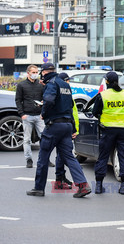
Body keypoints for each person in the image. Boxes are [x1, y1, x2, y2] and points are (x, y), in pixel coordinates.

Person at [26, 63, 91, 198]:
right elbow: (69, 107)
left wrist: (43, 112)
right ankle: (83, 185)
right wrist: (72, 127)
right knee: (69, 157)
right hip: (66, 125)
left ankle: (39, 188)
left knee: (43, 156)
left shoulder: (51, 83)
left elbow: (49, 100)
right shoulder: (65, 85)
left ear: (44, 72)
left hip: (54, 125)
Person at [92, 71, 124, 195]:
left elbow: (95, 112)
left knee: (103, 156)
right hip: (123, 129)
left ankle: (99, 185)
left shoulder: (103, 95)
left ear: (106, 81)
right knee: (123, 156)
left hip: (108, 129)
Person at [52, 72, 80, 190]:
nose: (68, 83)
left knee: (62, 155)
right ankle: (60, 178)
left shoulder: (68, 94)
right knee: (63, 155)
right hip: (66, 127)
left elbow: (74, 114)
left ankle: (61, 178)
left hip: (70, 128)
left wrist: (75, 129)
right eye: (67, 81)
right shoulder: (62, 94)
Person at [15, 65, 45, 168]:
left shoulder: (41, 85)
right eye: (33, 72)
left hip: (39, 116)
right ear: (28, 73)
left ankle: (45, 159)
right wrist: (22, 114)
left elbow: (45, 98)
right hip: (27, 115)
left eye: (37, 72)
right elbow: (18, 100)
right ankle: (29, 160)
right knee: (27, 139)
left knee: (44, 138)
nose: (35, 74)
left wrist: (43, 108)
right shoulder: (22, 85)